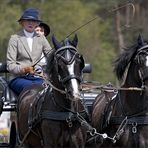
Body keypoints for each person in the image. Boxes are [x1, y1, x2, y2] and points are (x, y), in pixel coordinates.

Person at [6, 8, 53, 96]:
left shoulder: (41, 39)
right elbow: (10, 65)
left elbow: (51, 55)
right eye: (28, 20)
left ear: (37, 23)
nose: (31, 23)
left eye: (33, 21)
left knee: (51, 90)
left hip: (39, 78)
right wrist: (24, 69)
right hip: (19, 78)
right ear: (22, 22)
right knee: (33, 88)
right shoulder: (14, 39)